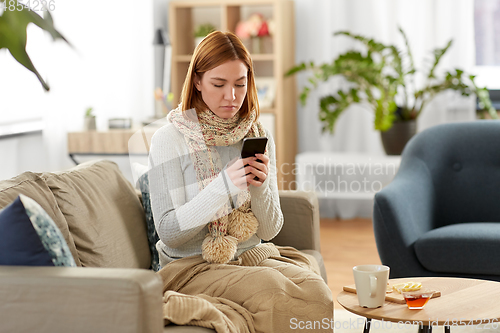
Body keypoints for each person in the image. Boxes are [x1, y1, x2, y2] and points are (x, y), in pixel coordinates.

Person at [148, 30, 333, 332]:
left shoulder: (256, 134)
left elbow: (271, 230)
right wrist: (223, 187)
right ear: (196, 81)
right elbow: (168, 232)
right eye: (218, 84)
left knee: (318, 292)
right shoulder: (169, 139)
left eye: (240, 84)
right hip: (192, 266)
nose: (231, 96)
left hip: (250, 255)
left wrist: (258, 188)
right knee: (276, 292)